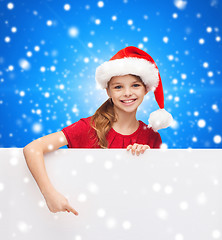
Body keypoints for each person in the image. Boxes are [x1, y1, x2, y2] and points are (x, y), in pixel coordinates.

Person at [23, 46, 173, 216]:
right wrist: (49, 194)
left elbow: (154, 190)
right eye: (118, 87)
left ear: (146, 89)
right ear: (108, 91)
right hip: (88, 219)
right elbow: (32, 149)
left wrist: (144, 159)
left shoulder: (151, 137)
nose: (127, 93)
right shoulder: (88, 128)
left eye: (135, 85)